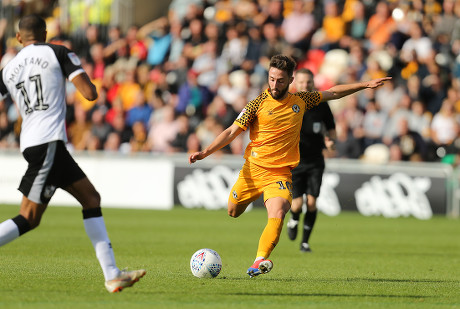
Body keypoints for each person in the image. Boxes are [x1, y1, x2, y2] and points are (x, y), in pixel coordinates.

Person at [188, 54, 390, 277]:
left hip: (280, 173)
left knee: (279, 211)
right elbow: (231, 132)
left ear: (291, 80)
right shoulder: (256, 104)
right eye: (272, 79)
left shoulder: (301, 101)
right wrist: (205, 152)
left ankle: (259, 260)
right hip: (253, 171)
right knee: (233, 211)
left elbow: (333, 92)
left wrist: (365, 84)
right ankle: (254, 228)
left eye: (280, 80)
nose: (275, 84)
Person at [0, 15, 145, 293]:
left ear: (19, 38)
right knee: (29, 217)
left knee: (88, 199)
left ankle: (113, 273)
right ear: (45, 33)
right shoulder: (58, 52)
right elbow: (89, 93)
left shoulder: (8, 68)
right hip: (49, 143)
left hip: (31, 143)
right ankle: (112, 274)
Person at [286, 68, 336, 253]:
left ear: (313, 83)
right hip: (295, 160)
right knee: (297, 204)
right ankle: (294, 220)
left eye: (308, 82)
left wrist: (331, 142)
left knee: (312, 202)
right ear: (295, 83)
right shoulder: (289, 103)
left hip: (315, 160)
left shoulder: (321, 104)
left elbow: (331, 127)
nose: (305, 85)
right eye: (301, 82)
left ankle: (305, 242)